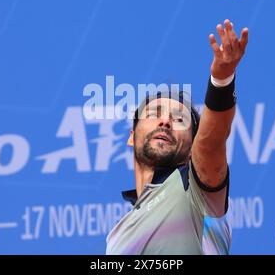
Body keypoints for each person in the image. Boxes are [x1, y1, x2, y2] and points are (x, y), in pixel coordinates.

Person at [106, 19, 249, 254]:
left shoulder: (194, 188)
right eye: (154, 114)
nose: (165, 121)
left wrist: (222, 79)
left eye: (179, 119)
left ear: (193, 145)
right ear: (132, 136)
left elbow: (211, 142)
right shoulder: (116, 235)